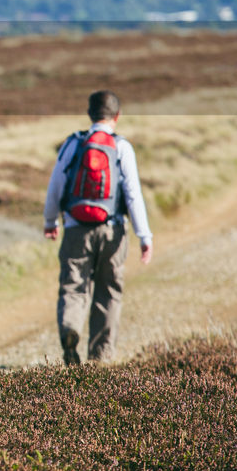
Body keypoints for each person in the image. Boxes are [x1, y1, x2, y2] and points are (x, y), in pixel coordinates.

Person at [43, 89, 153, 365]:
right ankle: (100, 356)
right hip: (112, 230)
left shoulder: (73, 144)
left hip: (76, 228)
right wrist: (144, 235)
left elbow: (56, 184)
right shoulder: (122, 147)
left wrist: (50, 221)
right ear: (117, 116)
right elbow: (132, 194)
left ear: (89, 114)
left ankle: (70, 327)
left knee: (73, 286)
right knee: (108, 291)